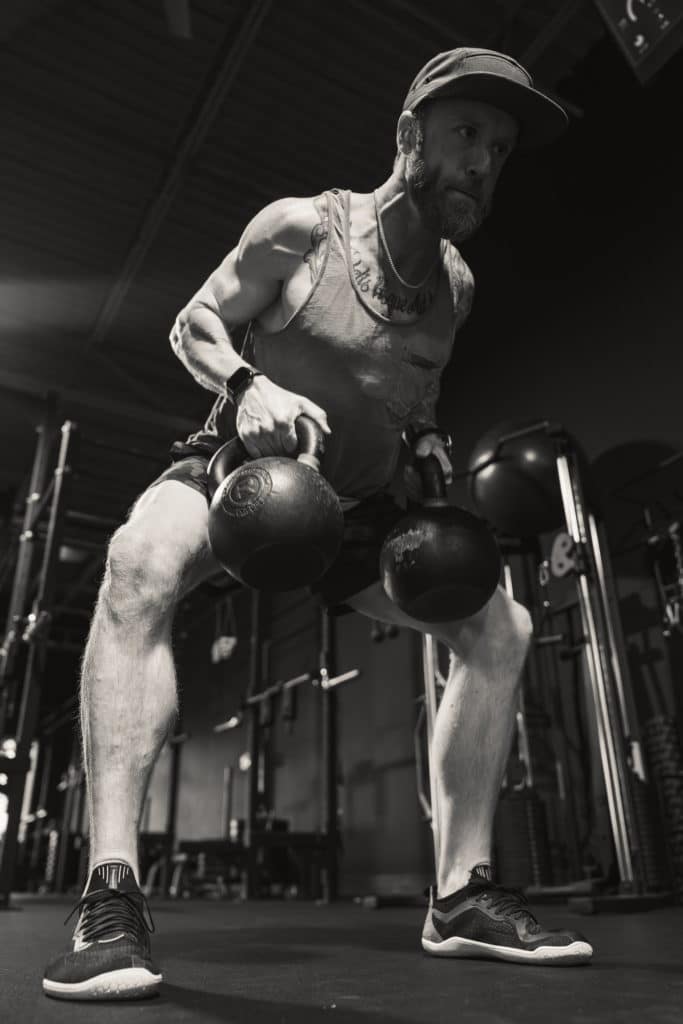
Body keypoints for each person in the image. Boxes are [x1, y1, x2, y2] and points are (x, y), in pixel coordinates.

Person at [43, 47, 592, 1001]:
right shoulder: (303, 231)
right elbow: (193, 325)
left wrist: (424, 445)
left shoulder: (454, 289)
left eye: (499, 149)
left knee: (498, 628)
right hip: (245, 481)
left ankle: (458, 895)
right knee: (136, 563)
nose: (482, 163)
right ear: (407, 137)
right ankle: (111, 895)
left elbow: (407, 397)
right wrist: (249, 387)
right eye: (466, 134)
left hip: (353, 515)